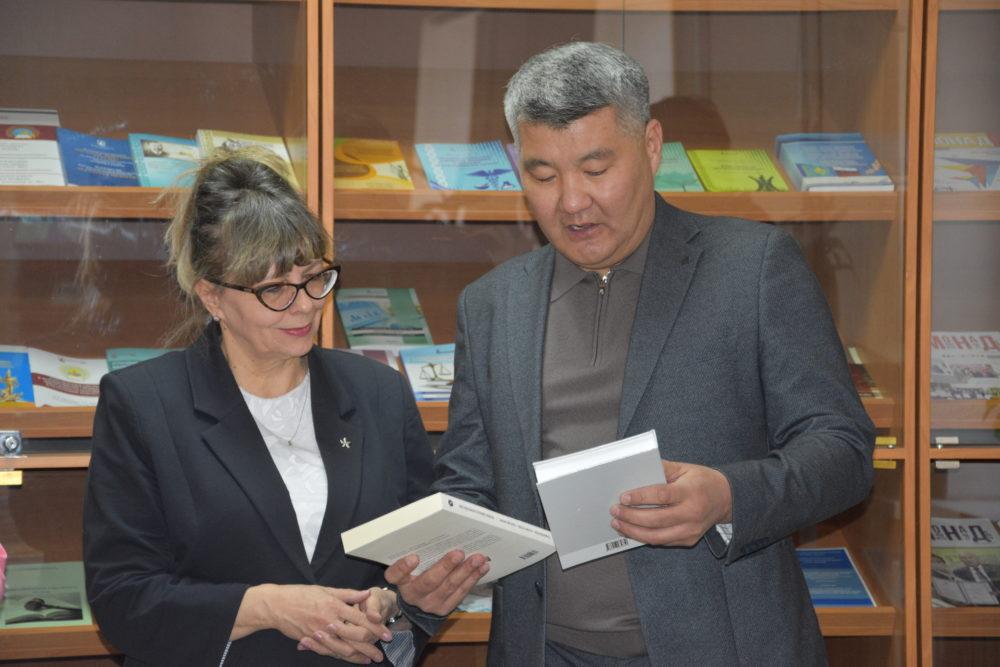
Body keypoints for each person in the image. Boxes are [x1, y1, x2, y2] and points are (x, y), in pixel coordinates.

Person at [387, 42, 875, 665]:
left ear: (650, 145)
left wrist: (727, 495)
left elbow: (843, 450)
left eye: (595, 169)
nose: (571, 201)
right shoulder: (492, 303)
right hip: (543, 650)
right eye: (543, 175)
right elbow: (470, 479)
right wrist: (433, 565)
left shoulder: (752, 269)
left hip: (721, 648)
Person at [83, 149, 434, 665]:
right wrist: (265, 606)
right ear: (212, 297)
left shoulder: (380, 392)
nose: (306, 305)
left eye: (315, 278)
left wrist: (394, 609)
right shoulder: (141, 404)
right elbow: (123, 598)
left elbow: (422, 565)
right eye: (274, 289)